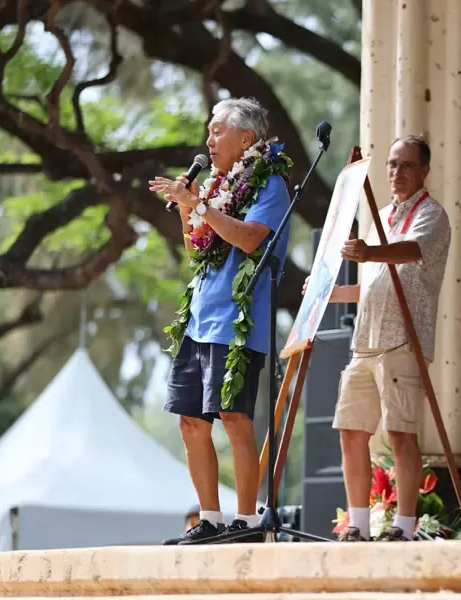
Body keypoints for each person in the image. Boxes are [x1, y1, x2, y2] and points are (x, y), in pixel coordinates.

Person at [149, 97, 292, 544]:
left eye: (217, 131)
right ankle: (209, 519)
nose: (208, 140)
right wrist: (188, 207)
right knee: (190, 421)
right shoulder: (217, 185)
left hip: (237, 320)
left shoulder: (270, 183)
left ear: (246, 138)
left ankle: (246, 522)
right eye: (209, 132)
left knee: (234, 417)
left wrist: (200, 206)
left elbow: (249, 240)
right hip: (199, 319)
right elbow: (198, 250)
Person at [307, 135, 451, 541]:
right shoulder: (380, 216)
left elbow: (411, 251)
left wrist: (369, 252)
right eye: (391, 164)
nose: (396, 172)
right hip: (364, 342)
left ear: (424, 171)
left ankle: (404, 526)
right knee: (350, 431)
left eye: (406, 165)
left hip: (401, 341)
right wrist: (328, 294)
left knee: (401, 433)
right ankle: (358, 524)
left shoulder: (432, 214)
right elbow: (371, 285)